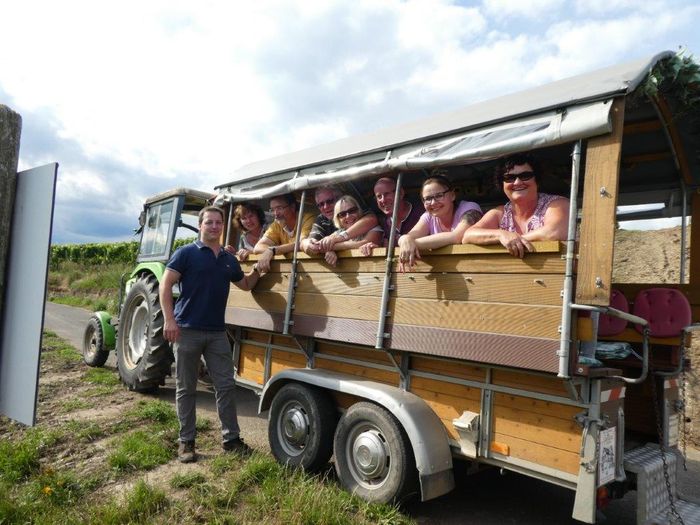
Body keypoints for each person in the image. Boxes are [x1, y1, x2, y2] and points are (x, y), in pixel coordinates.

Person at [160, 205, 262, 463]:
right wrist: (169, 320)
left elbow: (246, 284)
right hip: (186, 331)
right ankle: (186, 442)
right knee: (186, 388)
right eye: (209, 223)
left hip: (217, 333)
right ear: (200, 226)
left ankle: (231, 440)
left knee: (226, 386)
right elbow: (165, 284)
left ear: (222, 226)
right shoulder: (186, 254)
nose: (214, 227)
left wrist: (260, 268)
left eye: (218, 223)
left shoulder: (228, 259)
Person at [461, 152, 569, 258]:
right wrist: (501, 235)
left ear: (537, 180)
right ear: (502, 184)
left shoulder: (557, 204)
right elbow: (468, 236)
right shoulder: (499, 213)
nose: (517, 182)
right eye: (509, 178)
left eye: (525, 176)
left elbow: (554, 232)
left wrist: (514, 240)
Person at [397, 174, 482, 272]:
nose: (433, 202)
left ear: (452, 195)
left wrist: (412, 245)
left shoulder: (469, 208)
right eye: (428, 199)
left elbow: (457, 236)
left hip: (476, 268)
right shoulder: (428, 216)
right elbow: (409, 236)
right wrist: (405, 239)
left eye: (439, 196)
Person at [300, 186, 378, 256]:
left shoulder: (356, 210)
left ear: (339, 198)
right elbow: (312, 244)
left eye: (329, 201)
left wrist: (334, 243)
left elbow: (372, 220)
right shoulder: (321, 219)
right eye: (321, 204)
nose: (326, 207)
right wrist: (305, 243)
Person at [359, 176, 424, 255]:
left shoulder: (421, 212)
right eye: (379, 196)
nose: (383, 200)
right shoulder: (384, 222)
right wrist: (374, 248)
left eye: (386, 194)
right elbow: (388, 250)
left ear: (400, 193)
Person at [253, 193, 315, 273]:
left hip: (310, 270)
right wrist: (270, 250)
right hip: (289, 272)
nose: (276, 214)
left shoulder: (307, 219)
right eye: (272, 210)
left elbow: (302, 244)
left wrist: (274, 250)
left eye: (279, 208)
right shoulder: (276, 224)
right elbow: (258, 247)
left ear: (292, 207)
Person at [323, 195, 384, 266]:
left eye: (352, 211)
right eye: (342, 214)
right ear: (338, 219)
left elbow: (363, 243)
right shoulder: (338, 233)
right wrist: (329, 250)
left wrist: (332, 247)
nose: (348, 216)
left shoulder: (372, 227)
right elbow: (321, 244)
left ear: (359, 210)